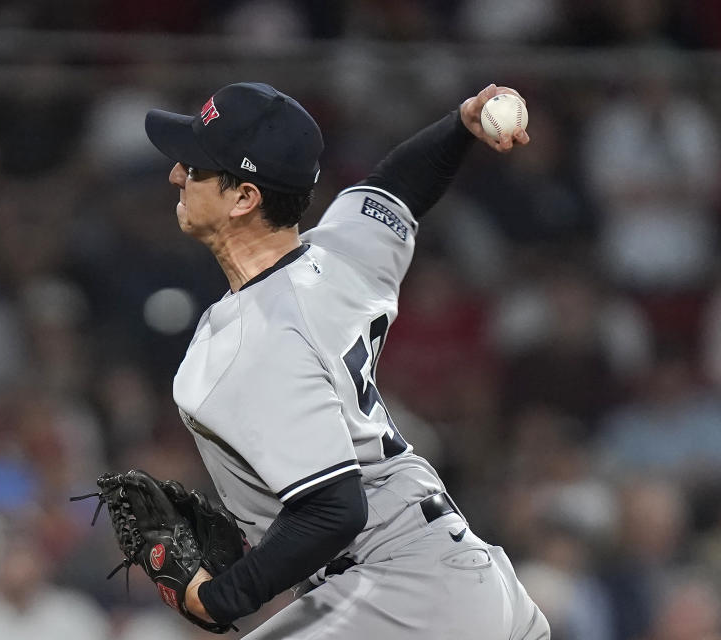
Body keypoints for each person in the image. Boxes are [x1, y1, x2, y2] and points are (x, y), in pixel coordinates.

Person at [142, 81, 548, 639]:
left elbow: (335, 510)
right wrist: (460, 125)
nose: (175, 175)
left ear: (243, 198)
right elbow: (397, 187)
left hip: (405, 595)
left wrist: (218, 599)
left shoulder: (254, 344)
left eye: (193, 167)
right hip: (471, 583)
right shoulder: (339, 253)